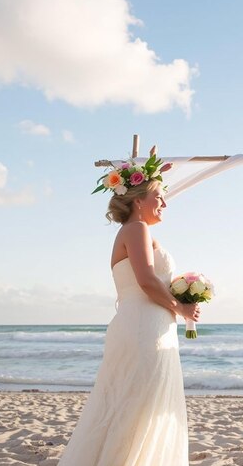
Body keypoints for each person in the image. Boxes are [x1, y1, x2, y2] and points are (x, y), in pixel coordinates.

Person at [59, 154, 200, 466]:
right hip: (143, 328)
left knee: (137, 404)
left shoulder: (138, 231)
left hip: (148, 325)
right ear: (138, 200)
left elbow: (153, 280)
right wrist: (181, 309)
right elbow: (147, 281)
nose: (164, 204)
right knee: (138, 407)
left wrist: (182, 292)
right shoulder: (136, 228)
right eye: (159, 197)